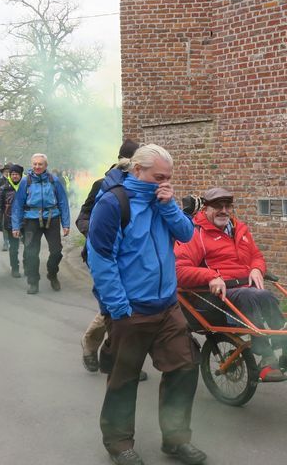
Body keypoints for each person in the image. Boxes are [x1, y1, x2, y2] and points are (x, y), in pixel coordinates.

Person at [87, 144, 205, 465]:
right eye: (158, 177)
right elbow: (101, 259)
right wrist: (118, 309)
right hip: (130, 310)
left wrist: (169, 206)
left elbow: (186, 234)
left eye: (169, 177)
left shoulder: (162, 201)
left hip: (167, 306)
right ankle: (119, 442)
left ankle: (176, 439)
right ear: (138, 171)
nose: (164, 183)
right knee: (124, 380)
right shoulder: (113, 204)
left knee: (184, 368)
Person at [175, 187, 287, 382]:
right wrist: (210, 276)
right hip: (211, 297)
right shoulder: (193, 233)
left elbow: (256, 256)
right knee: (254, 295)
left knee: (263, 295)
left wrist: (257, 269)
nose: (224, 210)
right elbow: (179, 270)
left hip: (242, 291)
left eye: (227, 206)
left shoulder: (239, 228)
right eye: (218, 206)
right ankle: (267, 356)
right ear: (205, 209)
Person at [76, 138, 149, 379]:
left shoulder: (146, 185)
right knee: (113, 309)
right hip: (105, 254)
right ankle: (98, 347)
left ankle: (125, 360)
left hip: (135, 256)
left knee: (132, 308)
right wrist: (97, 234)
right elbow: (83, 216)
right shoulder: (102, 185)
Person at [11, 153, 70, 295]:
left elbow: (63, 202)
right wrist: (16, 226)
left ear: (46, 165)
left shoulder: (54, 180)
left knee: (56, 251)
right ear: (32, 165)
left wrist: (66, 224)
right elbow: (18, 204)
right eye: (35, 164)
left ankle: (52, 273)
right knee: (31, 252)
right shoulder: (26, 181)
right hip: (31, 220)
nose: (37, 166)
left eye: (40, 164)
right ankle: (33, 282)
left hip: (52, 218)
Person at [0, 164, 25, 278]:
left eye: (16, 174)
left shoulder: (26, 186)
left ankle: (28, 266)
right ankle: (15, 268)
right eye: (12, 174)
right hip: (10, 221)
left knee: (29, 246)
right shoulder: (4, 188)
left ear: (20, 175)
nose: (14, 176)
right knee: (14, 247)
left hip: (27, 221)